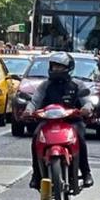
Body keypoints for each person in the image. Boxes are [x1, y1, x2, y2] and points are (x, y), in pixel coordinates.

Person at [25, 51, 93, 189]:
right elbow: (35, 101)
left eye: (60, 67)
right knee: (35, 138)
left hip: (72, 121)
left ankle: (86, 173)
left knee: (80, 138)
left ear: (68, 68)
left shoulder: (77, 85)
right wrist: (28, 110)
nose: (56, 69)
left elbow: (87, 102)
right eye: (54, 66)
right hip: (48, 121)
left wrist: (86, 108)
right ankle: (36, 175)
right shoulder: (45, 85)